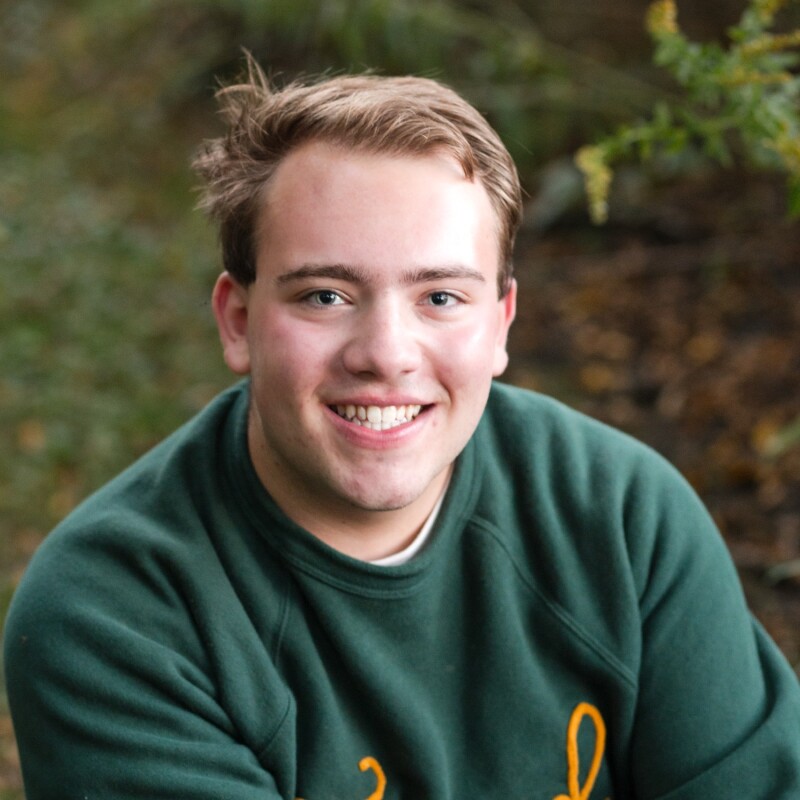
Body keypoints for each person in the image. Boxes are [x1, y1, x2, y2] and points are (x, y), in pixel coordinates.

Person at [4, 56, 800, 800]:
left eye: (441, 298)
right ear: (238, 321)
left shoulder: (623, 520)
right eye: (325, 295)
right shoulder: (111, 617)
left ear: (500, 322)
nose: (386, 354)